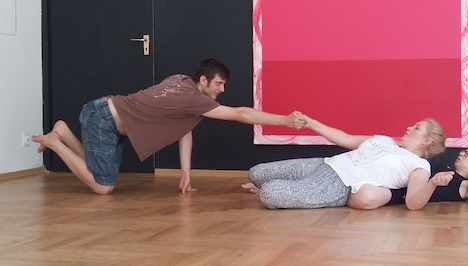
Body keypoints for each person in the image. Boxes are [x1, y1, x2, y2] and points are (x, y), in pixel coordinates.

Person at [32, 58, 305, 195]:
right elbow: (240, 115)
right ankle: (56, 141)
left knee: (97, 172)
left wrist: (185, 173)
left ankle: (64, 132)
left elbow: (183, 129)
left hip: (103, 114)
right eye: (219, 83)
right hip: (103, 120)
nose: (222, 89)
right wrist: (283, 120)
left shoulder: (180, 80)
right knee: (103, 188)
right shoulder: (193, 98)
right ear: (203, 80)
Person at [242, 115, 448, 210]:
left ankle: (273, 189)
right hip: (325, 163)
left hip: (339, 184)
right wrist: (311, 123)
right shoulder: (384, 140)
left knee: (269, 193)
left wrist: (432, 183)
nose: (409, 127)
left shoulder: (420, 166)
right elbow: (344, 138)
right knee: (257, 173)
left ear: (426, 141)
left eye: (417, 127)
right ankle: (267, 185)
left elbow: (412, 203)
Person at [347, 146, 468, 217]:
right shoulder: (443, 166)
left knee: (364, 197)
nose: (462, 153)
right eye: (464, 151)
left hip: (397, 194)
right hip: (392, 177)